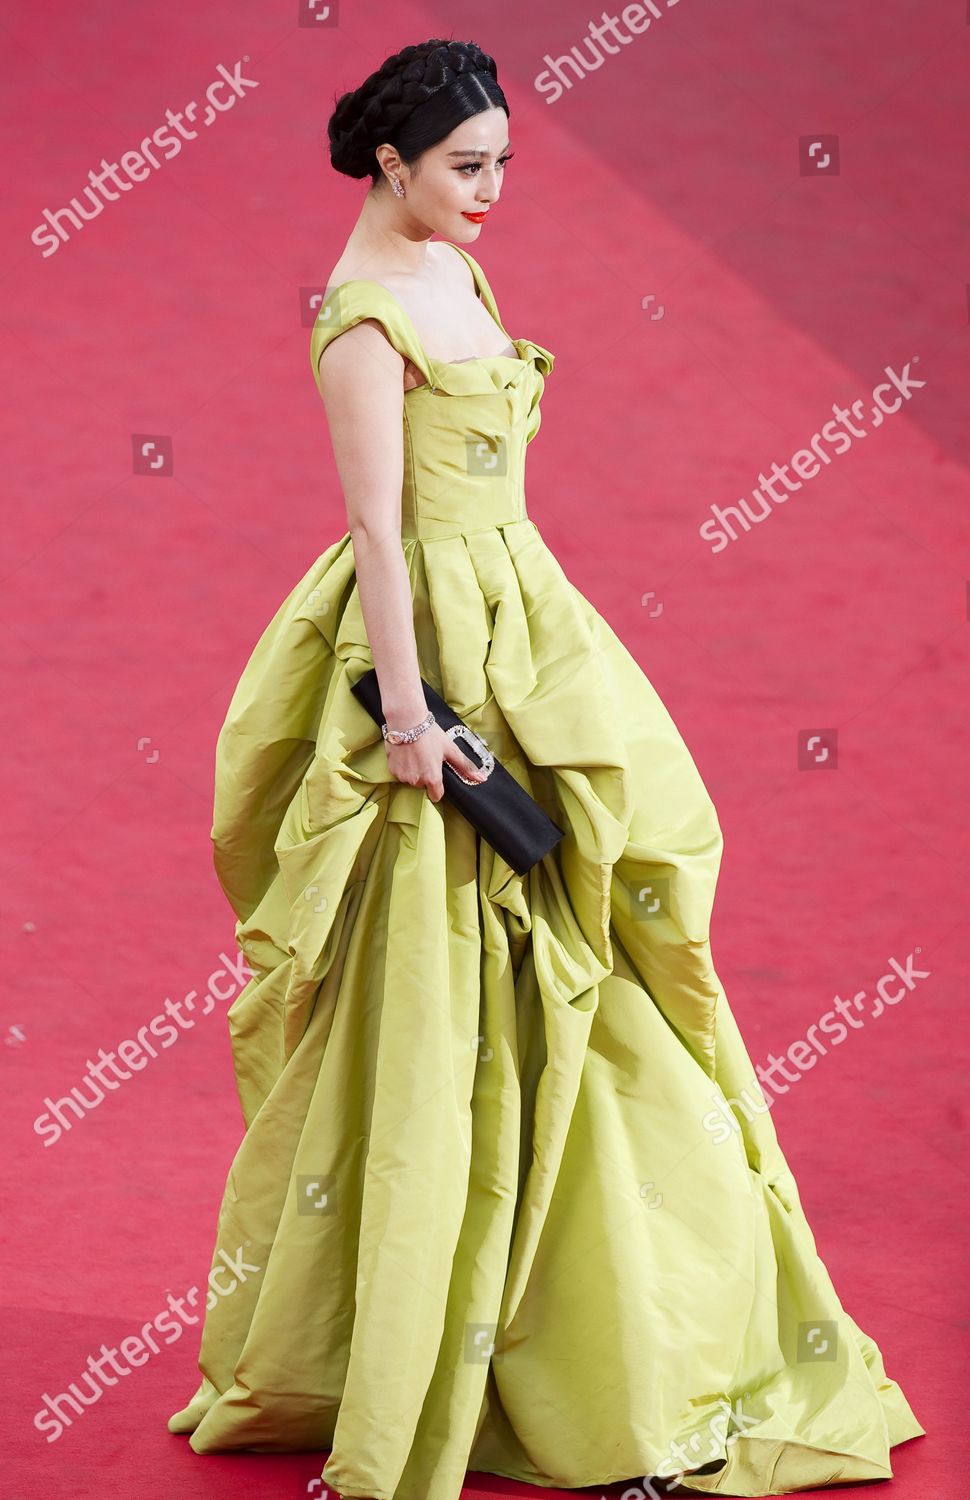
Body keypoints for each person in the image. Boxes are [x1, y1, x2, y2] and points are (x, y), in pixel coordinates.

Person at [166, 36, 925, 1500]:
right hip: (431, 659)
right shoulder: (361, 324)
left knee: (604, 946)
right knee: (459, 984)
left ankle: (620, 1336)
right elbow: (382, 533)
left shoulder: (457, 267)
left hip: (531, 625)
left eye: (504, 161)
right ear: (391, 164)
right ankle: (464, 1351)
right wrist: (406, 717)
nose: (492, 191)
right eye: (465, 166)